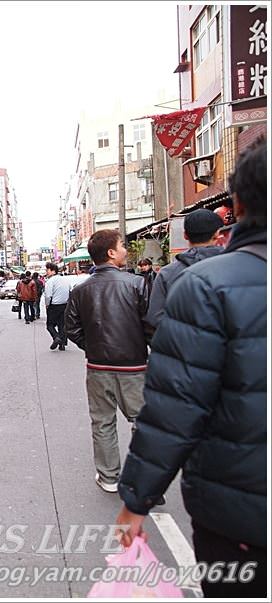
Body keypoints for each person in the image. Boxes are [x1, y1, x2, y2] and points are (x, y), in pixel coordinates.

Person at [115, 139, 267, 598]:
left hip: (240, 514)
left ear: (235, 206)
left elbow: (177, 405)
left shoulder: (198, 284)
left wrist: (137, 498)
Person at [64, 229, 152, 493]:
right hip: (134, 367)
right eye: (122, 245)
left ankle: (109, 477)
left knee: (102, 422)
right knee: (143, 422)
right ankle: (143, 478)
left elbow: (71, 328)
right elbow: (152, 325)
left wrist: (91, 346)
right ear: (111, 253)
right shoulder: (137, 283)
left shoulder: (81, 290)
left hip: (98, 367)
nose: (126, 250)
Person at [146, 209, 224, 330]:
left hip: (182, 345)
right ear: (217, 234)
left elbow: (155, 317)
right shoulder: (234, 267)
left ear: (185, 235)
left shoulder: (167, 274)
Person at [43, 262, 71, 351]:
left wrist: (47, 305)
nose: (46, 272)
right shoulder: (65, 280)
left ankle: (56, 337)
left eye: (47, 270)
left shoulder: (50, 281)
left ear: (53, 271)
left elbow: (48, 295)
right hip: (65, 305)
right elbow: (70, 291)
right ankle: (62, 344)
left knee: (50, 325)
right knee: (61, 324)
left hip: (54, 305)